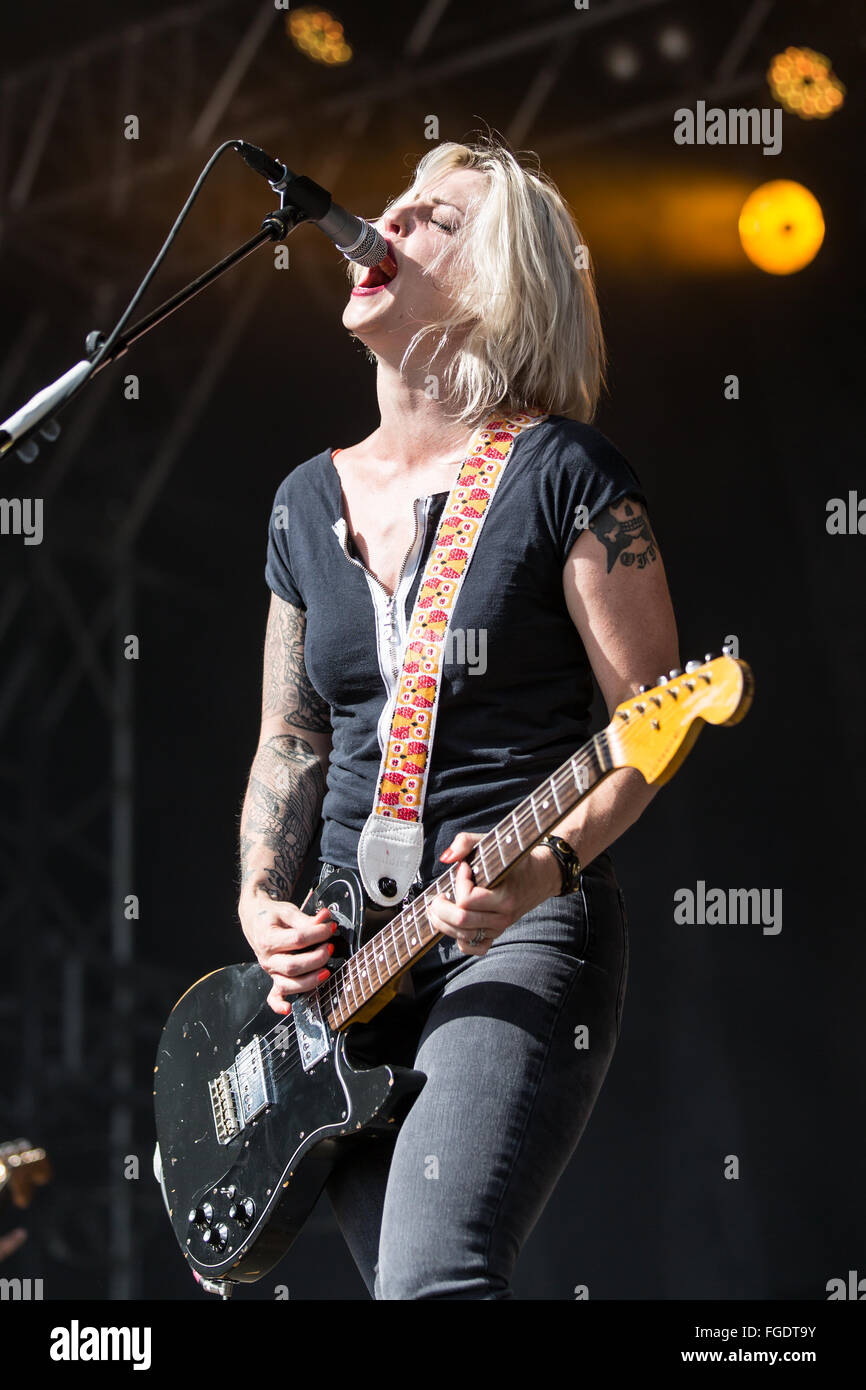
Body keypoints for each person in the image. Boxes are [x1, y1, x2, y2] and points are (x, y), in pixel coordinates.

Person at [238, 137, 679, 1300]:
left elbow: (651, 715)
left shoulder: (567, 474)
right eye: (392, 205)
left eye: (430, 217)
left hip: (510, 924)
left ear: (497, 283)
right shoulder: (302, 499)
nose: (385, 223)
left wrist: (546, 868)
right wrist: (257, 904)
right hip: (342, 971)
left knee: (435, 1279)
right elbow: (292, 739)